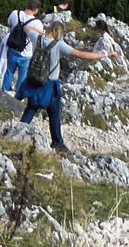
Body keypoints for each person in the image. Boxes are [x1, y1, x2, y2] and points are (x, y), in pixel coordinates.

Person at [18, 20, 110, 153]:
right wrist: (104, 54)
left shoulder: (36, 38)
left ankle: (19, 131)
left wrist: (42, 32)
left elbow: (26, 27)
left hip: (34, 80)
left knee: (31, 107)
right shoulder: (58, 45)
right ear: (59, 33)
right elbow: (81, 55)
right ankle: (57, 142)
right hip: (50, 84)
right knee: (54, 113)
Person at [0, 0, 43, 93]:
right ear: (36, 9)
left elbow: (9, 23)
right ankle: (18, 97)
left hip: (13, 49)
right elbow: (38, 39)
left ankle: (4, 92)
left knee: (9, 72)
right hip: (26, 53)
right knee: (22, 77)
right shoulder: (37, 23)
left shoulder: (15, 13)